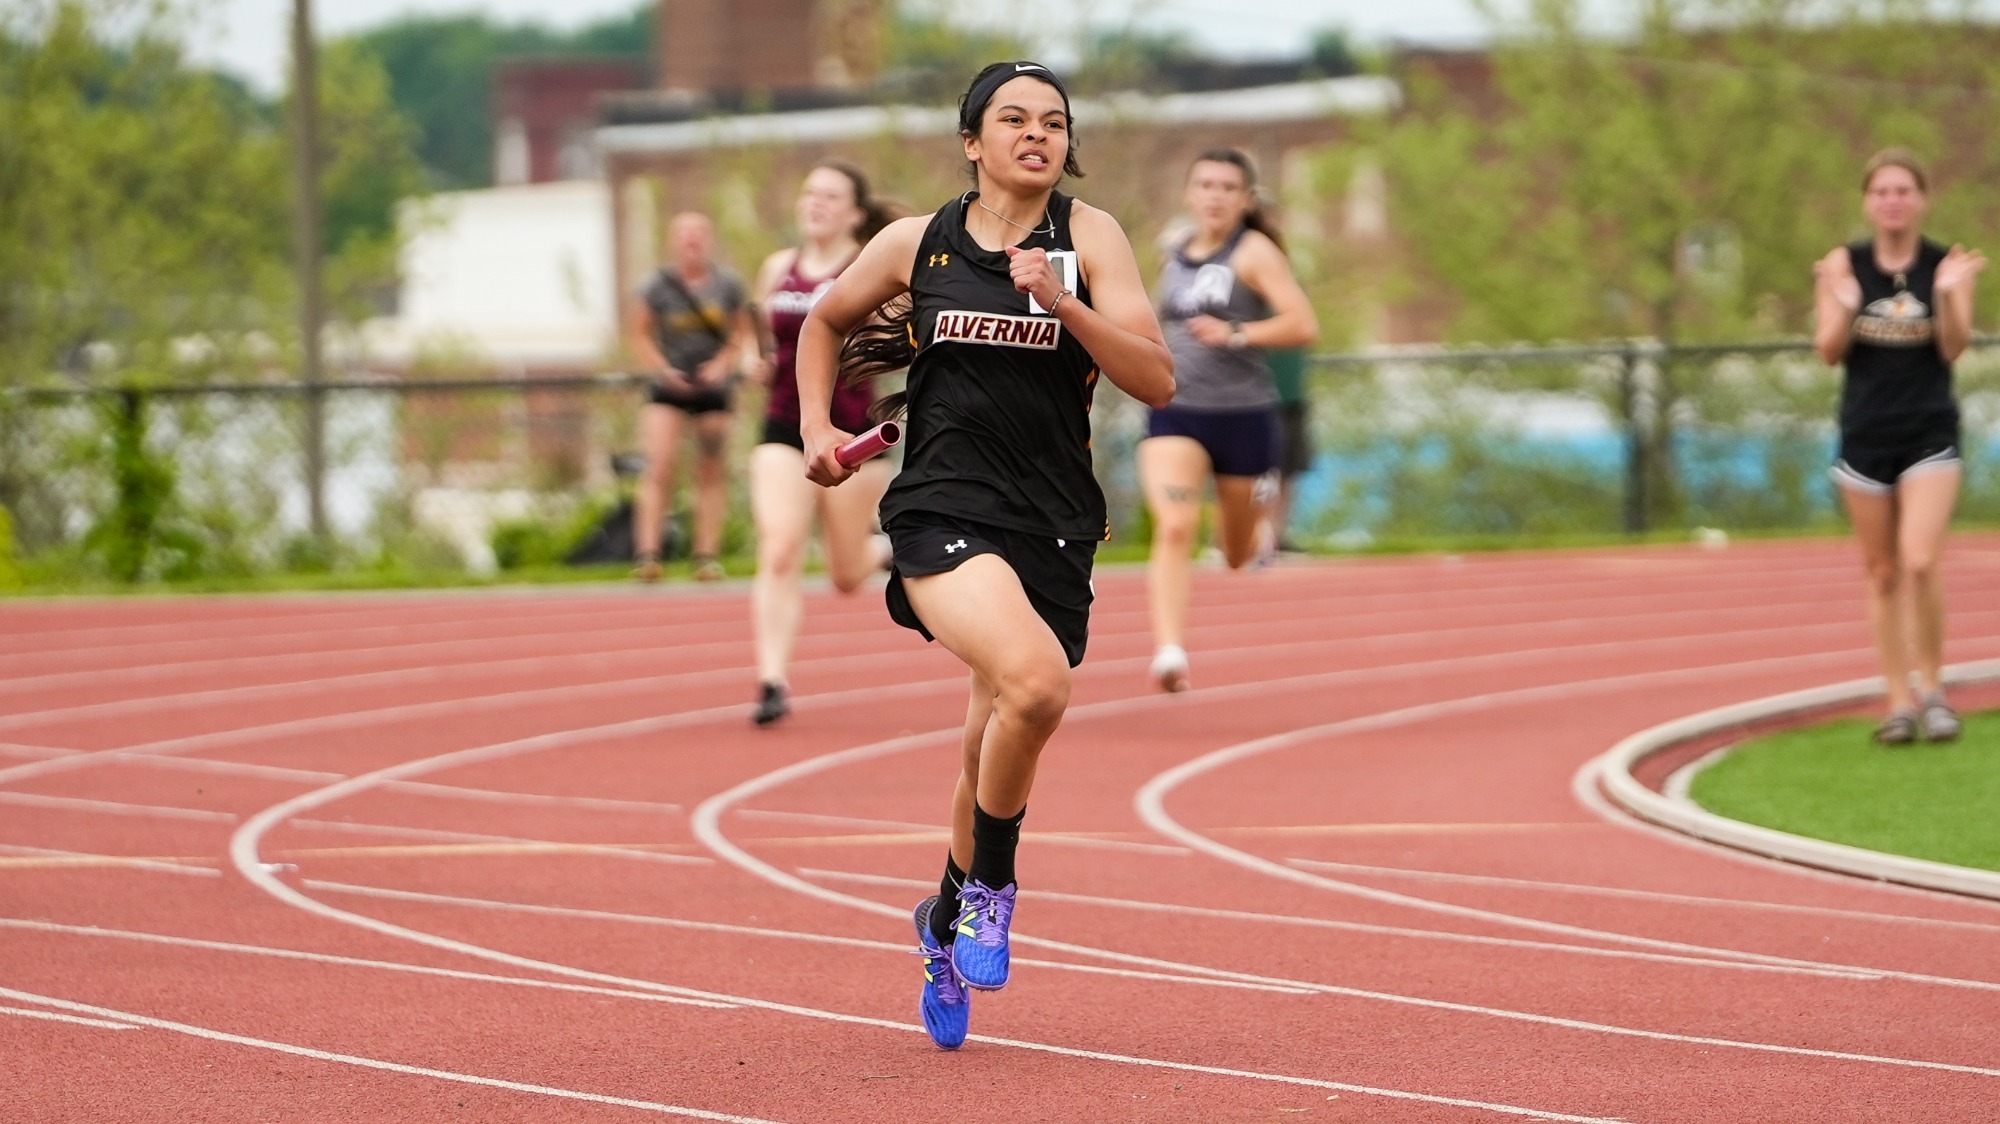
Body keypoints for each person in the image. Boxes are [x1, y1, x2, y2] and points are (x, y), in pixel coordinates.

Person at [795, 61, 1174, 1050]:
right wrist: (810, 430)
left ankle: (942, 912)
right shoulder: (918, 242)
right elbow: (824, 320)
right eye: (1012, 119)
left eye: (1052, 121)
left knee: (987, 741)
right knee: (1036, 685)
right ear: (972, 141)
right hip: (940, 506)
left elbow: (1155, 378)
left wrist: (1064, 304)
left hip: (1050, 519)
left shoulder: (1089, 240)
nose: (1034, 135)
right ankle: (994, 886)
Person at [1812, 148, 1985, 744]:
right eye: (1882, 191)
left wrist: (1947, 295)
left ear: (1921, 199)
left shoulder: (1946, 263)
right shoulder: (1845, 263)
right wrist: (1843, 306)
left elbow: (1955, 347)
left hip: (1928, 431)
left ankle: (1934, 691)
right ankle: (1896, 701)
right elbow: (1828, 350)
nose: (1893, 201)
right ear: (1868, 201)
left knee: (1919, 558)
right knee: (1882, 573)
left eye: (1903, 190)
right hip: (1863, 434)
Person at [1140, 149, 1319, 692]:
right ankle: (1169, 651)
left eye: (1227, 187)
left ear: (1244, 199)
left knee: (1237, 552)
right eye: (1205, 185)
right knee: (1174, 526)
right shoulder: (1173, 252)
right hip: (1176, 410)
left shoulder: (1254, 252)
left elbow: (1302, 323)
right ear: (1190, 193)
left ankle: (1247, 534)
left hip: (1243, 415)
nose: (1214, 195)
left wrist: (1237, 334)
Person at [745, 164, 901, 726]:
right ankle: (771, 681)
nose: (816, 203)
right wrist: (755, 362)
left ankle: (882, 551)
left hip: (852, 434)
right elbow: (758, 334)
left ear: (855, 212)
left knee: (845, 574)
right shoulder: (776, 268)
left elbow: (895, 341)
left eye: (831, 196)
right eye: (809, 192)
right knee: (781, 546)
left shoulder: (869, 268)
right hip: (785, 427)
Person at [629, 212, 758, 583]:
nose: (692, 240)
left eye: (699, 233)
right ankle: (648, 555)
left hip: (713, 387)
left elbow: (741, 334)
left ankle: (706, 556)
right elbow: (638, 334)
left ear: (709, 239)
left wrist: (722, 365)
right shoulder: (656, 286)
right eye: (685, 233)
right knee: (659, 465)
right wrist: (661, 368)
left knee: (711, 470)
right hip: (668, 386)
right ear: (673, 240)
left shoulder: (727, 284)